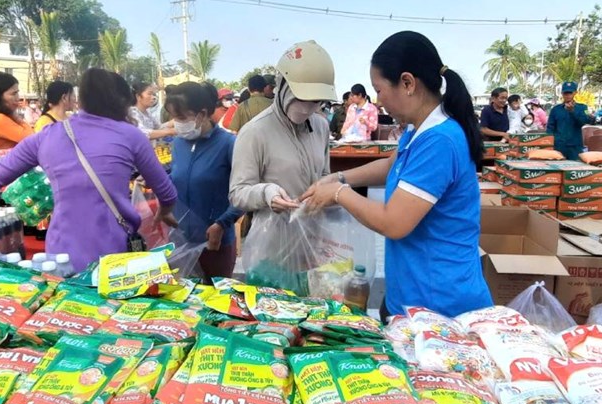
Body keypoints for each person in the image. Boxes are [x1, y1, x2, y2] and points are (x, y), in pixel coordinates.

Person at [301, 31, 492, 319]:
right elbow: (392, 164)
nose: (378, 100)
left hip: (440, 306)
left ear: (407, 83)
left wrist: (339, 194)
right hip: (411, 295)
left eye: (379, 89)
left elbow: (394, 223)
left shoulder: (439, 141)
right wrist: (339, 179)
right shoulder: (420, 129)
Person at [0, 68, 178, 272]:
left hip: (61, 256)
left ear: (80, 100)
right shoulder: (131, 135)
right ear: (123, 103)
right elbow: (167, 192)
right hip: (114, 255)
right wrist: (164, 211)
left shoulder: (45, 136)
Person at [230, 40, 335, 215]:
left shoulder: (321, 126)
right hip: (273, 235)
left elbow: (324, 174)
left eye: (315, 101)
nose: (306, 107)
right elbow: (238, 193)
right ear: (282, 85)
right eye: (301, 97)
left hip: (315, 233)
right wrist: (266, 194)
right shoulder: (255, 132)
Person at [166, 82, 243, 280]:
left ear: (202, 114)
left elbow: (244, 193)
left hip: (216, 243)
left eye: (181, 117)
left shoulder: (228, 144)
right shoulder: (178, 144)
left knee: (214, 302)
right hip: (181, 241)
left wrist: (222, 223)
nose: (176, 123)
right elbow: (178, 177)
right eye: (174, 117)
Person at [0, 72, 34, 150]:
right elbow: (32, 139)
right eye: (13, 94)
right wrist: (17, 118)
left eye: (17, 92)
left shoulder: (1, 117)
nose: (17, 98)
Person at [547, 81, 592, 160]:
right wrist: (549, 143)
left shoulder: (583, 108)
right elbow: (550, 128)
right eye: (565, 93)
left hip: (575, 146)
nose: (567, 95)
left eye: (570, 93)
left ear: (575, 93)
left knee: (575, 168)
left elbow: (585, 121)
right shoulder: (555, 109)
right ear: (562, 93)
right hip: (559, 146)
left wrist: (572, 111)